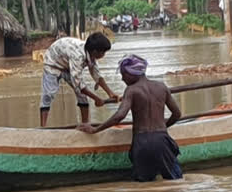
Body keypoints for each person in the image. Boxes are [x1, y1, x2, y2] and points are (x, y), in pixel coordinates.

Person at [78, 54, 183, 182]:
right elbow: (177, 114)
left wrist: (95, 129)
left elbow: (120, 116)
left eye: (124, 74)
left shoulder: (132, 90)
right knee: (175, 181)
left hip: (142, 142)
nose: (122, 78)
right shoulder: (161, 87)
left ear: (133, 73)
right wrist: (161, 128)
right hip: (162, 140)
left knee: (143, 185)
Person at [40, 32, 119, 127]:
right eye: (103, 52)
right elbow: (79, 84)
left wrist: (110, 93)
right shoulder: (78, 56)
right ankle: (43, 127)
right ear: (95, 51)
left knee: (82, 96)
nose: (104, 55)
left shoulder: (90, 54)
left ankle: (85, 124)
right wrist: (97, 99)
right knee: (48, 95)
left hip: (68, 65)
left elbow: (97, 75)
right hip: (52, 63)